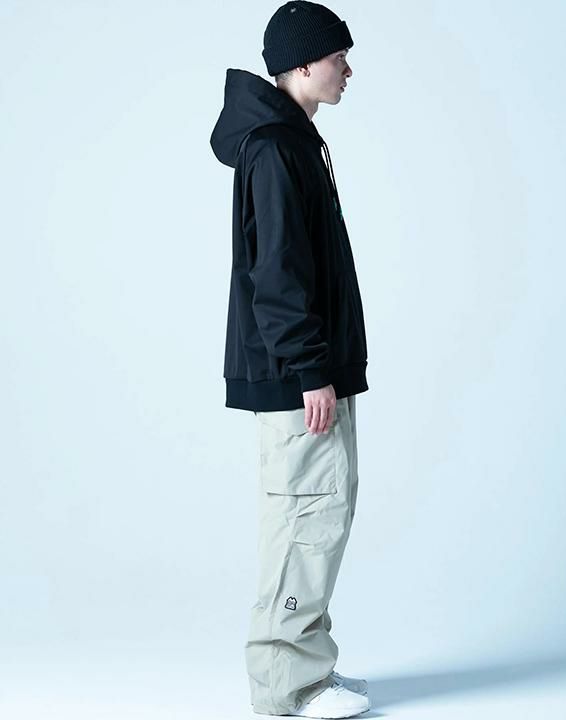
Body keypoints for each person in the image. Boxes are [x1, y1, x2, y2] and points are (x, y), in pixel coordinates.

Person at [210, 2, 370, 717]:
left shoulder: (293, 139)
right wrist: (310, 370)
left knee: (320, 516)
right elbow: (275, 271)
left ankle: (309, 666)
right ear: (303, 64)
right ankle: (289, 686)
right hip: (296, 376)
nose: (347, 70)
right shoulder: (275, 147)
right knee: (306, 518)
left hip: (309, 367)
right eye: (338, 57)